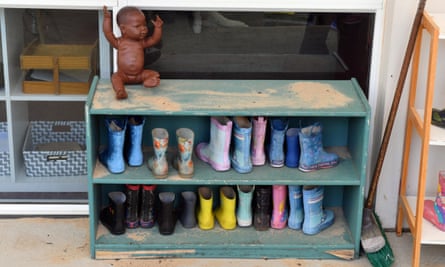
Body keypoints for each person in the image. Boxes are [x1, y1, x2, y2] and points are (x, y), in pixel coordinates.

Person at [103, 6, 163, 99]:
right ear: (123, 29)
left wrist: (158, 28)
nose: (144, 29)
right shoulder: (119, 43)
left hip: (140, 75)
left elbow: (154, 39)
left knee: (153, 74)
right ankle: (120, 91)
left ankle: (147, 81)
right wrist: (107, 19)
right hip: (123, 75)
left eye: (144, 25)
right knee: (115, 77)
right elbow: (108, 33)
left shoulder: (141, 43)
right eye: (137, 26)